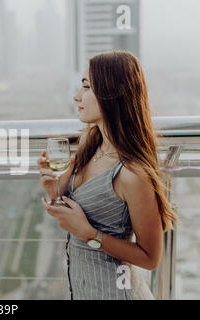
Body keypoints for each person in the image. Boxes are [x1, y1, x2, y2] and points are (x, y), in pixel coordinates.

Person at [37, 50, 178, 300]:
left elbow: (151, 258)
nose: (76, 96)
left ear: (112, 93)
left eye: (86, 87)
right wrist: (59, 191)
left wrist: (89, 234)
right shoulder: (91, 145)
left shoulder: (132, 173)